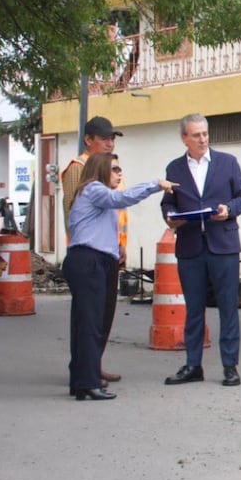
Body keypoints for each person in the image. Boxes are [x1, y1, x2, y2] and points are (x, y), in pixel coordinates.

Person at [64, 153, 176, 400]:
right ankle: (88, 383)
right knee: (91, 325)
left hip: (98, 260)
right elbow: (122, 198)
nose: (119, 173)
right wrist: (156, 184)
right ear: (101, 169)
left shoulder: (96, 195)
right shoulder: (94, 189)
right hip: (88, 260)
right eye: (114, 169)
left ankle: (82, 381)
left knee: (93, 324)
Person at [161, 114, 241, 387]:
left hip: (222, 244)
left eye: (205, 134)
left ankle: (230, 366)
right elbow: (168, 204)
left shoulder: (228, 163)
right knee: (194, 309)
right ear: (184, 138)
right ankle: (193, 364)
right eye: (196, 135)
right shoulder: (174, 169)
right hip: (190, 245)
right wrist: (170, 217)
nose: (202, 139)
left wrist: (229, 210)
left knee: (227, 307)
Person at [60, 116, 127, 386]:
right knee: (88, 316)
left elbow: (115, 211)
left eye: (112, 138)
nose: (110, 143)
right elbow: (73, 211)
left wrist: (120, 244)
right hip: (89, 252)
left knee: (105, 311)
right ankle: (83, 369)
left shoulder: (108, 167)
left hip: (109, 249)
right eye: (104, 138)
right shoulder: (80, 168)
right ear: (89, 140)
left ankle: (93, 364)